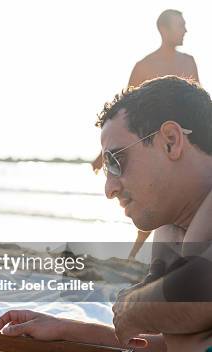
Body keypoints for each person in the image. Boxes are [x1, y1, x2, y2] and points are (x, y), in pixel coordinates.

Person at [0, 77, 212, 352]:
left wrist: (133, 306)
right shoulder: (172, 228)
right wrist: (68, 330)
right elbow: (178, 349)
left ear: (170, 140)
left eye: (115, 160)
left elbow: (198, 295)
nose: (109, 188)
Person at [92, 9, 200, 261]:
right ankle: (143, 259)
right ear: (164, 29)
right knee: (150, 203)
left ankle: (155, 258)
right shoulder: (145, 66)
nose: (185, 30)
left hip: (184, 144)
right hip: (150, 148)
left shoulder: (189, 62)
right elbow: (122, 116)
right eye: (180, 25)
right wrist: (104, 156)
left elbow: (201, 105)